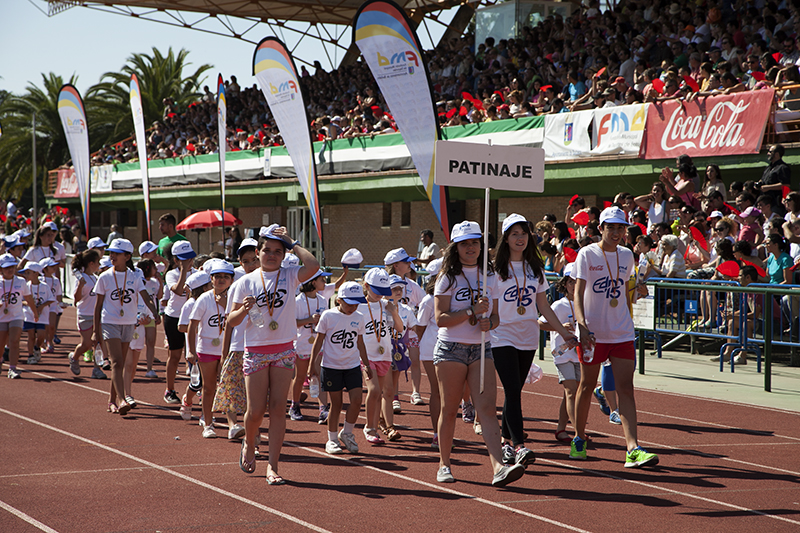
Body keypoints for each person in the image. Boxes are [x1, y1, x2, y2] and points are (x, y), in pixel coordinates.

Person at [433, 220, 525, 487]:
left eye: (474, 242)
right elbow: (440, 318)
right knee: (449, 410)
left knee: (486, 409)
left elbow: (496, 317)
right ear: (456, 247)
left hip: (482, 347)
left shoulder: (491, 275)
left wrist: (490, 322)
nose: (470, 247)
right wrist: (472, 311)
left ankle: (498, 467)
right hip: (451, 348)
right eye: (465, 243)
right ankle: (444, 465)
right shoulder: (447, 277)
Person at [228, 224, 319, 485]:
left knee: (278, 409)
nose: (271, 255)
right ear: (258, 253)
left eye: (277, 251)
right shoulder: (245, 282)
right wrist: (245, 310)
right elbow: (232, 321)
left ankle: (273, 465)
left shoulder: (290, 275)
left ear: (283, 254)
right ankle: (249, 440)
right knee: (256, 412)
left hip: (283, 349)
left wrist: (290, 240)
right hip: (255, 351)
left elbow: (312, 266)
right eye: (266, 250)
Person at [571, 206, 659, 468]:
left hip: (621, 331)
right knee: (586, 386)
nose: (616, 232)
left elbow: (624, 293)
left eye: (621, 227)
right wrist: (582, 325)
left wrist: (637, 292)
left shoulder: (628, 255)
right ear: (601, 229)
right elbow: (578, 293)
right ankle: (578, 438)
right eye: (611, 227)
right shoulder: (587, 254)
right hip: (593, 333)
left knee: (626, 390)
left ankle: (632, 448)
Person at [492, 214, 577, 466]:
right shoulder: (495, 270)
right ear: (506, 238)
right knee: (511, 390)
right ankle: (519, 445)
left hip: (527, 337)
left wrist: (563, 331)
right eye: (515, 234)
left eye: (524, 233)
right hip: (502, 335)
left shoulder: (535, 269)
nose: (520, 238)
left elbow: (544, 306)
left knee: (514, 390)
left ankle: (506, 442)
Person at [93, 239, 159, 416]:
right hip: (110, 323)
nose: (112, 256)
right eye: (111, 253)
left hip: (129, 323)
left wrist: (155, 312)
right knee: (116, 361)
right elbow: (98, 306)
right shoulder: (105, 276)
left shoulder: (135, 276)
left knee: (119, 365)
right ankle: (122, 400)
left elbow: (145, 296)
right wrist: (95, 331)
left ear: (127, 256)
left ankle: (111, 401)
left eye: (116, 253)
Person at [309, 282, 372, 455]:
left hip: (352, 365)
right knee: (336, 403)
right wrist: (311, 364)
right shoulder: (328, 316)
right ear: (338, 300)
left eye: (356, 303)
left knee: (357, 400)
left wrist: (366, 363)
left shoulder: (359, 317)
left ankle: (348, 433)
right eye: (349, 303)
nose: (353, 306)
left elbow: (360, 342)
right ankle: (332, 439)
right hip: (331, 366)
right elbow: (319, 341)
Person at [215, 238, 259, 441]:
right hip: (237, 346)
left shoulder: (267, 283)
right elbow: (228, 322)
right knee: (231, 388)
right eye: (246, 261)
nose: (251, 265)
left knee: (254, 395)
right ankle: (233, 425)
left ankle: (253, 431)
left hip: (259, 346)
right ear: (240, 263)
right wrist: (224, 353)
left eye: (254, 260)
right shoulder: (237, 286)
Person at [188, 259, 235, 438]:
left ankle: (233, 425)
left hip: (229, 349)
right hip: (207, 349)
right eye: (217, 277)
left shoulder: (234, 298)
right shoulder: (204, 298)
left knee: (229, 387)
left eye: (225, 276)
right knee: (208, 388)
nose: (221, 280)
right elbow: (192, 325)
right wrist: (191, 351)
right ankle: (208, 424)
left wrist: (225, 305)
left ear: (231, 279)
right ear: (211, 279)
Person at [360, 267, 404, 443]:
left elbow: (400, 329)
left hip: (385, 355)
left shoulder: (386, 305)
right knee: (374, 390)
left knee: (385, 392)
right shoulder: (359, 306)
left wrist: (393, 311)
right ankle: (369, 427)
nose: (379, 295)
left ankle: (380, 426)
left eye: (382, 292)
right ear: (366, 286)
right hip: (368, 355)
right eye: (376, 291)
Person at [539, 264, 580, 443]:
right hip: (562, 354)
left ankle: (560, 428)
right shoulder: (559, 305)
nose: (574, 285)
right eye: (570, 282)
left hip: (581, 353)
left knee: (572, 393)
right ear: (564, 284)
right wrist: (559, 327)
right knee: (571, 391)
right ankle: (579, 431)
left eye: (577, 282)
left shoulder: (585, 304)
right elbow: (540, 323)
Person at [289, 269, 332, 422]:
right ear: (313, 282)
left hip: (318, 345)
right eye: (322, 279)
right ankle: (294, 406)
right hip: (302, 344)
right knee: (300, 377)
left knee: (320, 376)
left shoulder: (323, 301)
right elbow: (291, 322)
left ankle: (323, 409)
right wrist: (309, 320)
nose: (325, 282)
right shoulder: (297, 300)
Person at [162, 241, 198, 404]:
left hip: (193, 317)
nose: (188, 261)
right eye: (184, 259)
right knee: (175, 355)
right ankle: (169, 390)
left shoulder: (198, 273)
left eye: (190, 257)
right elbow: (177, 290)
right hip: (174, 317)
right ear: (176, 260)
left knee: (196, 355)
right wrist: (183, 271)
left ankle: (198, 388)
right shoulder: (171, 274)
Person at [415, 257, 443, 447]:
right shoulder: (428, 300)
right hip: (432, 348)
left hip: (453, 346)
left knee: (449, 394)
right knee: (437, 391)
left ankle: (443, 431)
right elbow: (420, 328)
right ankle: (437, 434)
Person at [0, 253, 37, 380]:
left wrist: (35, 312)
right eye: (6, 268)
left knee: (14, 341)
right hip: (1, 317)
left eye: (12, 266)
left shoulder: (21, 282)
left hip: (16, 316)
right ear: (1, 269)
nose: (9, 270)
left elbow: (28, 298)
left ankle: (12, 368)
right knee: (1, 344)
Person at [20, 261, 53, 365]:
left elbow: (51, 299)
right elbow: (20, 299)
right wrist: (29, 303)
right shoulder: (25, 285)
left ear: (36, 273)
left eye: (28, 272)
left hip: (41, 315)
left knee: (41, 336)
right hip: (29, 314)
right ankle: (30, 356)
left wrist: (42, 306)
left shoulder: (44, 286)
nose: (26, 275)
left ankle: (36, 347)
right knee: (31, 335)